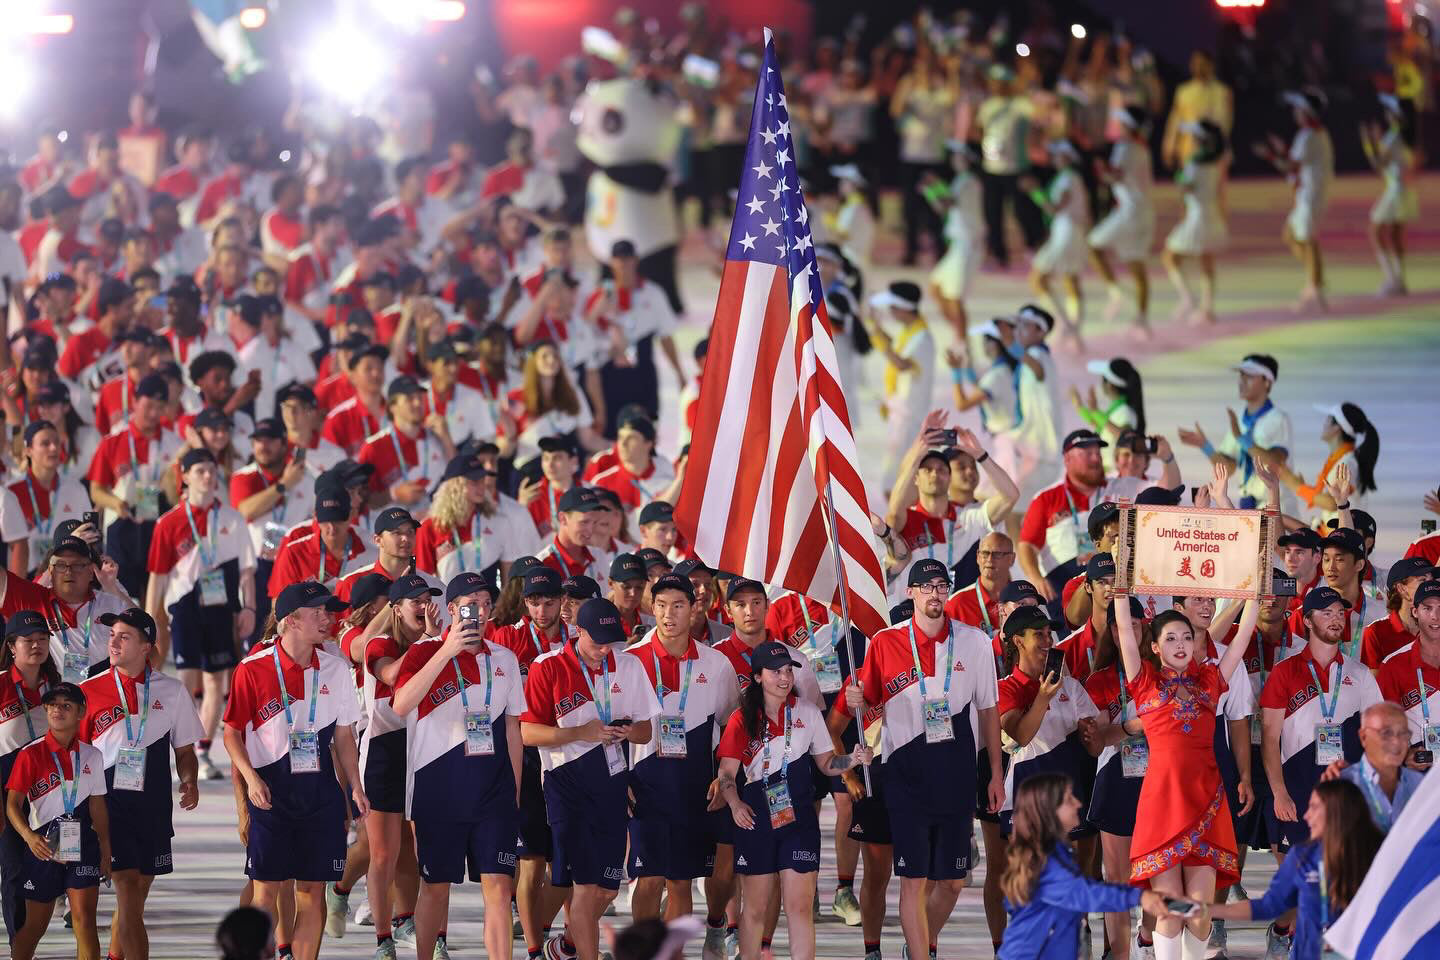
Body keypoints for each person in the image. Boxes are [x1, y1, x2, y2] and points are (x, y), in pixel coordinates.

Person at [843, 558, 1004, 960]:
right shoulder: (885, 640)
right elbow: (871, 701)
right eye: (926, 586)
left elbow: (988, 711)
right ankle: (921, 953)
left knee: (951, 882)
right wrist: (856, 701)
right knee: (913, 881)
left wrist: (996, 775)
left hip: (957, 777)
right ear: (910, 593)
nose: (935, 593)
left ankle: (920, 941)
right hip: (905, 779)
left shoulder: (975, 642)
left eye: (941, 585)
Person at [1111, 575, 1259, 960]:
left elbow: (1243, 636)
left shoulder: (1211, 680)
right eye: (1171, 639)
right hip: (1163, 806)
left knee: (1197, 915)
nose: (1180, 645)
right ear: (1156, 648)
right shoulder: (1143, 681)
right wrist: (1123, 588)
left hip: (1206, 802)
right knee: (1171, 912)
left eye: (1186, 638)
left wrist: (1252, 591)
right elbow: (1126, 628)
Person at [222, 582, 368, 960]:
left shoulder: (336, 669)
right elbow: (232, 734)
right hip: (271, 793)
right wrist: (251, 780)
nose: (328, 618)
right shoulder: (252, 669)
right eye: (317, 612)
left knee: (312, 891)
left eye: (329, 611)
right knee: (265, 891)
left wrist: (355, 786)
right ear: (290, 621)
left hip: (320, 793)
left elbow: (344, 737)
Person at [390, 571, 526, 960]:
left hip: (494, 793)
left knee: (499, 887)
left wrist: (513, 789)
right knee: (435, 886)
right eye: (471, 605)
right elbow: (400, 706)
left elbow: (513, 728)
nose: (480, 612)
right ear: (451, 610)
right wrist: (445, 650)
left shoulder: (504, 658)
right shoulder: (422, 652)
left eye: (486, 604)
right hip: (439, 791)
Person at [714, 640, 872, 960]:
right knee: (756, 908)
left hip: (798, 816)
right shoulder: (742, 718)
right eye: (776, 672)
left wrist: (852, 759)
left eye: (788, 671)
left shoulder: (808, 712)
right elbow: (727, 774)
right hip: (756, 816)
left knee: (799, 906)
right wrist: (735, 804)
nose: (785, 678)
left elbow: (827, 764)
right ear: (758, 677)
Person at [520, 598, 660, 960]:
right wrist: (579, 732)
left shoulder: (628, 665)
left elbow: (647, 732)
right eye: (596, 640)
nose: (603, 649)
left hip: (613, 784)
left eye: (610, 641)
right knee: (583, 887)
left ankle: (565, 945)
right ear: (577, 630)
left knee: (607, 889)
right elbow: (528, 733)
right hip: (566, 786)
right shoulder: (546, 666)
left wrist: (626, 732)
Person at [1258, 585, 1382, 954]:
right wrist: (1279, 791)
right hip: (1295, 791)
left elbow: (1374, 736)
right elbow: (1269, 739)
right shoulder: (1285, 672)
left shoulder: (1359, 675)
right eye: (1326, 613)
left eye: (1340, 613)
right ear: (1307, 620)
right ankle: (1282, 931)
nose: (1335, 619)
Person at [78, 607, 204, 960]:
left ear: (147, 646)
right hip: (108, 804)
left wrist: (190, 780)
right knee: (128, 892)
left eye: (124, 636)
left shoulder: (172, 691)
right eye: (112, 635)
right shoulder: (87, 691)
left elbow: (184, 748)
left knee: (137, 894)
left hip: (153, 807)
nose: (114, 642)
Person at [623, 573, 738, 958]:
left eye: (678, 605)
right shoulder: (630, 660)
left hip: (694, 787)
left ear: (694, 609)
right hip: (644, 785)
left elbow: (730, 728)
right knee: (648, 879)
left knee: (682, 882)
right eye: (661, 605)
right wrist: (617, 781)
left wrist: (725, 777)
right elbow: (615, 727)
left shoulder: (717, 663)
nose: (669, 614)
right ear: (650, 608)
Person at [145, 448, 257, 781]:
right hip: (185, 607)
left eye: (212, 470)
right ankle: (177, 746)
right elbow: (158, 576)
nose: (208, 477)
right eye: (200, 471)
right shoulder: (169, 523)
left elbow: (248, 571)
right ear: (186, 476)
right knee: (186, 681)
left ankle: (202, 750)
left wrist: (248, 606)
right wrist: (152, 620)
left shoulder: (232, 519)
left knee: (217, 680)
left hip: (222, 606)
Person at [997, 773, 1171, 960]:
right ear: (1050, 811)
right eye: (1068, 800)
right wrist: (1141, 897)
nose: (1078, 804)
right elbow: (1088, 895)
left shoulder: (1057, 852)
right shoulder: (1049, 865)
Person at [1206, 780, 1383, 960]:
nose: (1306, 816)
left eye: (1314, 807)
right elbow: (1268, 906)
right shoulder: (1302, 856)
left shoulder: (1377, 856)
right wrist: (1207, 910)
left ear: (1337, 812)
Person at [358, 574, 439, 958]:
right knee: (383, 852)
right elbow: (390, 675)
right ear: (395, 608)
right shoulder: (381, 643)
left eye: (427, 599)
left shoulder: (435, 641)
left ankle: (422, 928)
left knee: (421, 848)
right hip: (383, 749)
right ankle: (382, 937)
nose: (424, 607)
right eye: (415, 601)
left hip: (423, 745)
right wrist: (430, 643)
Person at [3, 679, 111, 960]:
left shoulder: (92, 755)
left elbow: (98, 804)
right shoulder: (30, 754)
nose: (57, 711)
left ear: (81, 712)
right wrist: (29, 837)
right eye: (52, 706)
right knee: (35, 926)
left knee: (84, 920)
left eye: (66, 706)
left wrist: (105, 848)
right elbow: (12, 804)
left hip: (84, 844)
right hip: (42, 846)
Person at [886, 419, 1018, 599]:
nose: (934, 473)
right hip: (915, 616)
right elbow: (893, 513)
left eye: (941, 469)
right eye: (927, 469)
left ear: (949, 478)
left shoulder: (969, 516)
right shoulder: (905, 518)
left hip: (964, 616)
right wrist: (919, 451)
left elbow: (1010, 496)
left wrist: (981, 455)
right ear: (915, 477)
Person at [86, 372, 182, 601]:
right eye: (148, 405)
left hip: (159, 527)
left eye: (160, 407)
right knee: (120, 598)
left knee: (158, 600)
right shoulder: (113, 441)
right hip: (123, 527)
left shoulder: (174, 444)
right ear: (135, 402)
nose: (153, 413)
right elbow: (96, 490)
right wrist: (115, 503)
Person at [0, 611, 60, 944]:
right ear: (11, 646)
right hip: (8, 789)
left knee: (54, 870)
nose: (36, 645)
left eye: (42, 639)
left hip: (54, 788)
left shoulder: (58, 687)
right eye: (28, 640)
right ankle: (19, 946)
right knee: (14, 871)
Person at [1177, 354, 1293, 511]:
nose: (1242, 381)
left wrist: (1241, 438)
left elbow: (1275, 462)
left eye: (1249, 376)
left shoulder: (1278, 418)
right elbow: (1228, 468)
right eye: (1241, 376)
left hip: (1276, 508)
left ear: (1267, 381)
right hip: (1248, 507)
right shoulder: (1239, 420)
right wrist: (1205, 446)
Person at [1253, 89, 1334, 313]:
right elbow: (1297, 160)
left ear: (1306, 112)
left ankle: (1315, 289)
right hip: (1309, 195)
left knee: (1308, 240)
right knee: (1291, 235)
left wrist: (1269, 155)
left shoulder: (1307, 135)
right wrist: (1282, 150)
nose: (1295, 112)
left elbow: (1290, 166)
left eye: (1298, 108)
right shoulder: (1314, 134)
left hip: (1310, 196)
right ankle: (1315, 279)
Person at [1088, 106, 1156, 336]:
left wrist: (1100, 170)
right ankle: (1142, 318)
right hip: (1143, 211)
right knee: (1137, 265)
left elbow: (1114, 175)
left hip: (1129, 212)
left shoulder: (1124, 147)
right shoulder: (1141, 148)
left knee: (1093, 246)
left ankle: (1116, 293)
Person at [1018, 429, 1108, 604]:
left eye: (1098, 453)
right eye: (1088, 453)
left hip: (1109, 582)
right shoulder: (1046, 498)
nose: (1096, 459)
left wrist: (1167, 460)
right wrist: (1036, 578)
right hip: (1062, 588)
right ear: (1067, 459)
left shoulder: (1116, 488)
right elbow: (1026, 545)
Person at [415, 451, 526, 584]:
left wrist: (501, 605)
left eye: (482, 480)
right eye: (474, 482)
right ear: (455, 486)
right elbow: (423, 581)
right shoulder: (428, 528)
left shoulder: (500, 521)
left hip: (491, 602)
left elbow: (509, 581)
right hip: (448, 603)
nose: (481, 487)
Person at [0, 420, 91, 577]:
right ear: (28, 450)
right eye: (45, 443)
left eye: (56, 442)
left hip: (66, 577)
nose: (54, 448)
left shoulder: (76, 489)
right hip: (24, 578)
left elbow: (90, 537)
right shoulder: (11, 491)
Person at [974, 66, 1044, 269]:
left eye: (999, 81)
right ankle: (998, 252)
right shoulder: (988, 105)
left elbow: (1039, 119)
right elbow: (978, 129)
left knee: (1022, 210)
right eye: (993, 81)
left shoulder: (1021, 104)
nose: (995, 85)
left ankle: (1033, 245)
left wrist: (1025, 88)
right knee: (992, 213)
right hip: (991, 167)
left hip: (1017, 166)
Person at [1319, 702, 1425, 832]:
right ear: (1363, 737)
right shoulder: (1341, 786)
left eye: (1403, 733)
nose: (1396, 742)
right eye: (1386, 733)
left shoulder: (1419, 784)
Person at [357, 375, 454, 517]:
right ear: (392, 407)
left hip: (437, 523)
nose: (417, 403)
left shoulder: (436, 435)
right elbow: (363, 500)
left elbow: (458, 479)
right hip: (395, 531)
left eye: (420, 398)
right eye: (409, 399)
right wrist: (394, 494)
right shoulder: (373, 447)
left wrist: (447, 439)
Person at [1162, 120, 1228, 326]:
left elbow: (1186, 187)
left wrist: (1178, 176)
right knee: (1206, 261)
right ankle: (1207, 308)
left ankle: (1187, 297)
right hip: (1210, 213)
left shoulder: (1195, 162)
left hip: (1197, 215)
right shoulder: (1216, 161)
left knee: (1170, 256)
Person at [868, 282, 935, 481]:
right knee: (897, 470)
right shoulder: (910, 330)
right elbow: (897, 348)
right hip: (901, 410)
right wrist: (877, 329)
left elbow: (902, 364)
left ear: (904, 308)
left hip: (909, 415)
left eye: (893, 307)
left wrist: (879, 341)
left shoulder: (921, 338)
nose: (889, 311)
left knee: (899, 474)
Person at [1025, 139, 1089, 346]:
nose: (1054, 158)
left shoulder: (1068, 179)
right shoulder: (1070, 177)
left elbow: (1054, 208)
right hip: (1069, 232)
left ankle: (1067, 325)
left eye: (1058, 154)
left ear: (1068, 157)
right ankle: (1074, 330)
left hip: (1067, 233)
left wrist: (1034, 191)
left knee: (1039, 279)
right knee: (1070, 280)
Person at [1274, 407, 1379, 528]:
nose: (1323, 424)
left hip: (1342, 540)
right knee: (1278, 519)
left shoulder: (1347, 463)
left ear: (1337, 428)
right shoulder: (1342, 459)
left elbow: (1332, 502)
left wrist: (1296, 486)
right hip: (1334, 534)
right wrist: (1301, 487)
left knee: (1277, 518)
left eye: (1327, 420)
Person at [923, 140, 983, 339]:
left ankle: (962, 345)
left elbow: (944, 205)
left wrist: (930, 189)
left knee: (955, 298)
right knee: (936, 288)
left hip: (967, 245)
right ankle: (961, 339)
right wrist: (935, 187)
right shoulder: (962, 181)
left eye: (957, 155)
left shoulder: (968, 181)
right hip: (959, 245)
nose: (953, 159)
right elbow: (947, 204)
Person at [1360, 94, 1419, 296]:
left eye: (1389, 110)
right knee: (1395, 235)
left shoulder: (1393, 137)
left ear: (1395, 115)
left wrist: (1369, 143)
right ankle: (1399, 280)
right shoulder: (1404, 135)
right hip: (1405, 190)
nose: (1386, 114)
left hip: (1396, 191)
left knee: (1376, 232)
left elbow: (1378, 165)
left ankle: (1391, 279)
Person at [1374, 579, 1440, 752]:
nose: (1436, 616)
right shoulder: (1393, 665)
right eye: (1427, 608)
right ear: (1415, 612)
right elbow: (1384, 727)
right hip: (1418, 773)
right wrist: (1405, 755)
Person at [1160, 51, 1233, 170]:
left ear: (1211, 65)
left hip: (1214, 152)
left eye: (1202, 63)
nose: (1198, 67)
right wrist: (1169, 147)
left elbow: (1226, 123)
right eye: (1195, 63)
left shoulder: (1222, 92)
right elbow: (1174, 122)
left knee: (1212, 187)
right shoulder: (1184, 91)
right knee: (1189, 186)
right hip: (1188, 152)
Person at [1072, 358, 1146, 459]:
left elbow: (1125, 438)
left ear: (1110, 385)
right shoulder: (1117, 409)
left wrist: (1096, 412)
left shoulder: (1125, 411)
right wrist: (1080, 408)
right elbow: (1102, 426)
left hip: (1115, 471)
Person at [537, 487, 607, 583]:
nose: (590, 531)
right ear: (563, 519)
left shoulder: (599, 555)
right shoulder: (542, 564)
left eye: (595, 522)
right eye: (584, 522)